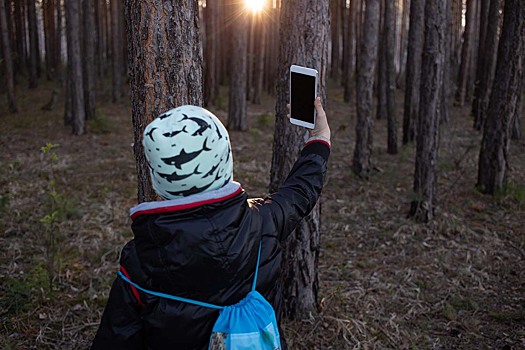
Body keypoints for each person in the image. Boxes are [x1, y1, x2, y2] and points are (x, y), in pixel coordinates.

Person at [91, 97, 331, 349]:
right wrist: (320, 137)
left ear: (157, 178)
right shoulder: (264, 223)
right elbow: (300, 191)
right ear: (226, 161)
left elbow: (116, 337)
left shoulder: (140, 261)